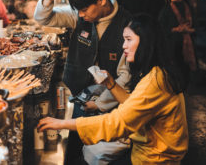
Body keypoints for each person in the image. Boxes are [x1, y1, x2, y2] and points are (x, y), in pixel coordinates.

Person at [38, 14, 188, 165]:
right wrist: (110, 83)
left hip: (153, 159)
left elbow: (117, 122)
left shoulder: (157, 80)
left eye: (129, 39)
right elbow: (134, 106)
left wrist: (61, 123)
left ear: (146, 41)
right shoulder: (157, 72)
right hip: (145, 151)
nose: (124, 46)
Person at [34, 0, 132, 165]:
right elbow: (44, 19)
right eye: (77, 10)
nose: (80, 14)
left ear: (102, 0)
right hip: (76, 95)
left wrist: (100, 104)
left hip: (109, 105)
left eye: (85, 9)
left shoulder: (127, 25)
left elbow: (125, 75)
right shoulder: (78, 15)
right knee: (72, 148)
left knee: (95, 151)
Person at [159, 0, 197, 87]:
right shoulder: (165, 10)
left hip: (188, 46)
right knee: (176, 73)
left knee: (186, 73)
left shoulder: (189, 8)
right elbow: (161, 28)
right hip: (172, 47)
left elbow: (196, 27)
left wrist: (190, 30)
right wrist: (176, 29)